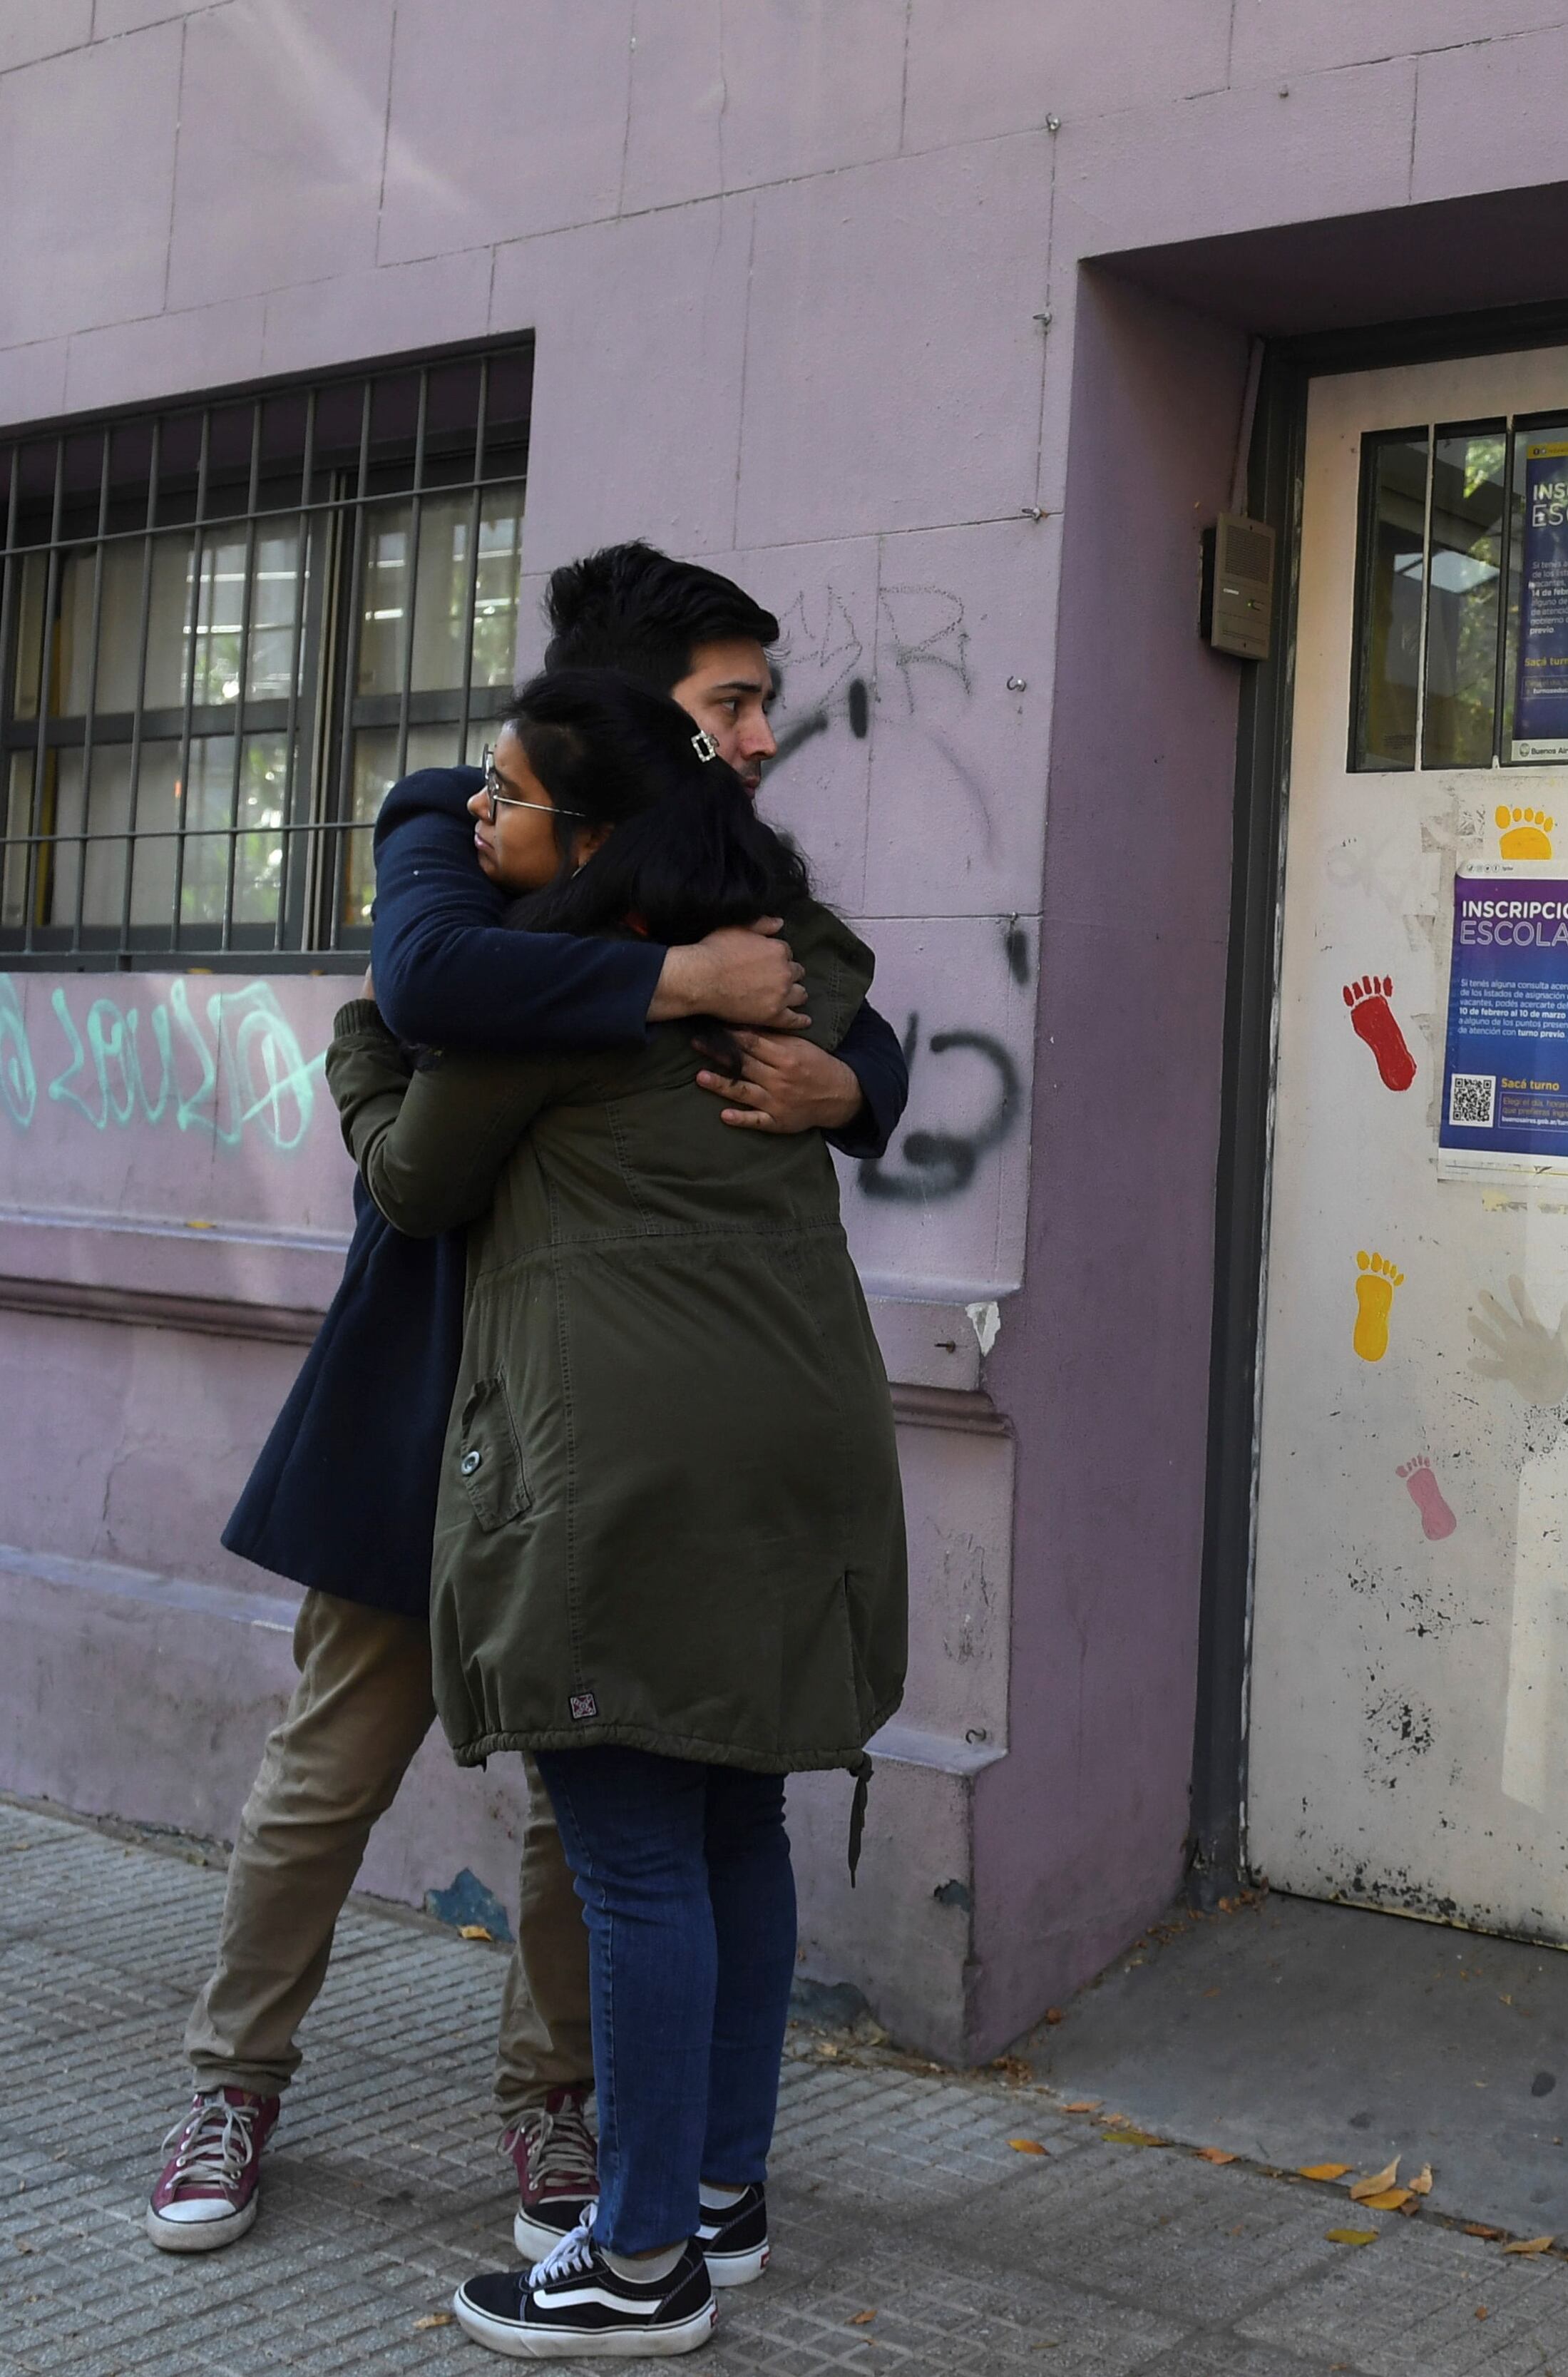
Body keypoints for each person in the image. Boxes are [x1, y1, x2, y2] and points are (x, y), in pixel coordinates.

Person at [153, 546, 908, 2259]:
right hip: (425, 1386)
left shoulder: (717, 868)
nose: (761, 737)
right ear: (634, 711)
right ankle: (233, 2078)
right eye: (730, 703)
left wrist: (847, 1083)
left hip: (593, 1418)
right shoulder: (456, 814)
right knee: (330, 1769)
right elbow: (428, 986)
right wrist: (678, 985)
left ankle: (559, 2101)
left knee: (595, 1802)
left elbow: (854, 1009)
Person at [325, 669, 907, 2356]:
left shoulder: (541, 1017)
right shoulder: (786, 968)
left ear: (593, 844)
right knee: (735, 1821)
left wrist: (365, 1055)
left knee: (637, 1857)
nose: (478, 813)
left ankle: (640, 2256)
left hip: (627, 1472)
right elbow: (861, 1017)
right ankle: (718, 2193)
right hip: (800, 1443)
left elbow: (413, 1177)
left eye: (508, 796)